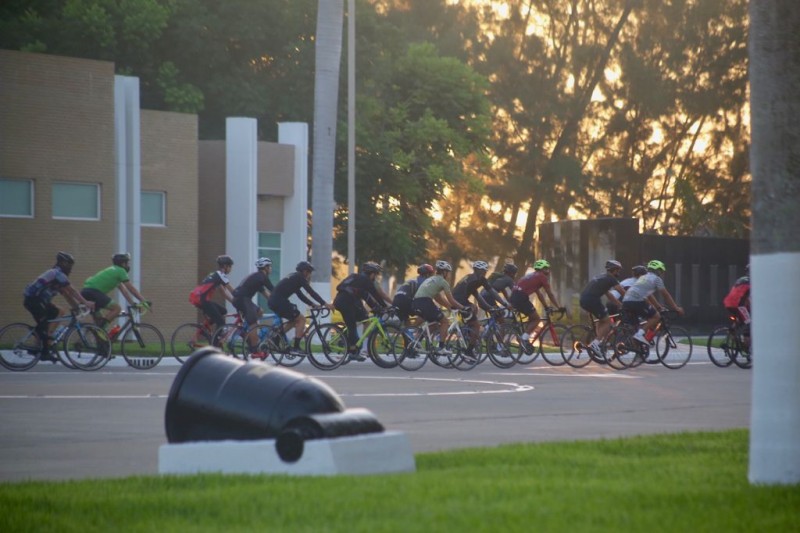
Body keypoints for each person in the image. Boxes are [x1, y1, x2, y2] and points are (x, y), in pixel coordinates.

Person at [23, 252, 96, 361]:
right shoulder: (56, 273)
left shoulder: (56, 276)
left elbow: (66, 294)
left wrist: (76, 307)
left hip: (39, 301)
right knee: (43, 324)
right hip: (34, 300)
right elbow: (72, 290)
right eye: (69, 265)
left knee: (59, 311)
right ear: (62, 263)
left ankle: (42, 342)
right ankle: (43, 351)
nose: (70, 268)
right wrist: (86, 302)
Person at [266, 260, 333, 357]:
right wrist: (325, 304)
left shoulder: (294, 277)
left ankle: (276, 339)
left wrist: (312, 304)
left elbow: (300, 295)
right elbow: (310, 292)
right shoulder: (299, 277)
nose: (309, 275)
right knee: (302, 319)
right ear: (305, 271)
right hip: (279, 301)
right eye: (309, 272)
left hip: (274, 301)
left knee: (294, 320)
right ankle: (296, 347)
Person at [333, 261, 387, 361]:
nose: (375, 277)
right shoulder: (366, 281)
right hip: (346, 303)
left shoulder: (355, 277)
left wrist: (375, 307)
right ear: (371, 274)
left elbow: (365, 296)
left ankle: (352, 342)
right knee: (352, 325)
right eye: (375, 274)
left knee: (365, 319)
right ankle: (353, 352)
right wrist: (384, 306)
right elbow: (375, 294)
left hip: (343, 301)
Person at [621, 259, 684, 345]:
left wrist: (658, 307)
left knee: (636, 327)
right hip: (637, 301)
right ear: (657, 270)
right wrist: (676, 308)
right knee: (656, 317)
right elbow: (666, 295)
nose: (661, 273)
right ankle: (639, 334)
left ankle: (639, 354)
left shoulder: (643, 277)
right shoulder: (656, 279)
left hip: (626, 301)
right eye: (661, 271)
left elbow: (649, 295)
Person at [411, 260, 466, 356]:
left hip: (416, 302)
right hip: (425, 302)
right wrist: (463, 308)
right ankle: (441, 347)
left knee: (433, 324)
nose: (448, 274)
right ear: (444, 272)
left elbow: (438, 298)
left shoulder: (431, 279)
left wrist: (449, 307)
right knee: (445, 321)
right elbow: (451, 299)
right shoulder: (443, 282)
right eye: (448, 272)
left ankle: (417, 341)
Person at [81, 252, 150, 330]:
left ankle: (91, 339)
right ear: (123, 263)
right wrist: (144, 301)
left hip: (86, 292)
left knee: (99, 321)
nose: (128, 265)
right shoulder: (120, 271)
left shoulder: (113, 270)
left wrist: (132, 303)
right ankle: (101, 330)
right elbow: (131, 288)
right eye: (127, 263)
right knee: (117, 308)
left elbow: (125, 291)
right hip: (94, 292)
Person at [452, 260, 508, 347]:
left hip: (457, 300)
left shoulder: (472, 278)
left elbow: (477, 295)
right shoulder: (477, 279)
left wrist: (488, 307)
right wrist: (505, 304)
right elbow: (492, 292)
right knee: (476, 325)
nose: (485, 273)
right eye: (484, 271)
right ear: (481, 271)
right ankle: (470, 350)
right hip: (459, 301)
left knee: (474, 309)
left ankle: (468, 333)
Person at [508, 259, 562, 346]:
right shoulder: (542, 277)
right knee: (536, 319)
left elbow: (539, 295)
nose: (548, 271)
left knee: (531, 318)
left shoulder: (532, 276)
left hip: (514, 297)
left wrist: (546, 307)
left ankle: (524, 337)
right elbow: (550, 294)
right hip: (521, 297)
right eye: (546, 268)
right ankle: (523, 339)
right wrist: (559, 307)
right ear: (541, 269)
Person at [578, 260, 627, 354]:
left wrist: (620, 304)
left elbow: (609, 295)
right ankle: (596, 344)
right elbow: (621, 291)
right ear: (614, 270)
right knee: (608, 321)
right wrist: (629, 300)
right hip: (593, 300)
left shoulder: (601, 276)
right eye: (618, 270)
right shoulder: (611, 278)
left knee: (601, 319)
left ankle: (598, 341)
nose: (618, 273)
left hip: (583, 299)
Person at [232, 258, 275, 357]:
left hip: (239, 299)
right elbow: (273, 290)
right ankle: (255, 349)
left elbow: (266, 293)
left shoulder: (257, 277)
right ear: (265, 268)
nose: (271, 269)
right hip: (243, 299)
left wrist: (272, 302)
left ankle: (248, 334)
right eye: (270, 266)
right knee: (253, 323)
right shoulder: (262, 277)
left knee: (260, 311)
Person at [191, 255, 235, 331]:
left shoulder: (216, 275)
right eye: (230, 266)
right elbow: (232, 290)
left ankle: (205, 328)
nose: (231, 269)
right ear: (225, 266)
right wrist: (239, 299)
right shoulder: (220, 275)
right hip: (203, 300)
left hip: (200, 299)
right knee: (221, 323)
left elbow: (223, 292)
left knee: (223, 311)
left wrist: (233, 302)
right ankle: (215, 342)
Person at [723, 264, 751, 345]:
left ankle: (732, 333)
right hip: (738, 305)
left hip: (728, 303)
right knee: (748, 322)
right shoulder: (752, 281)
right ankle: (747, 345)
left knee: (740, 319)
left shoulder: (740, 279)